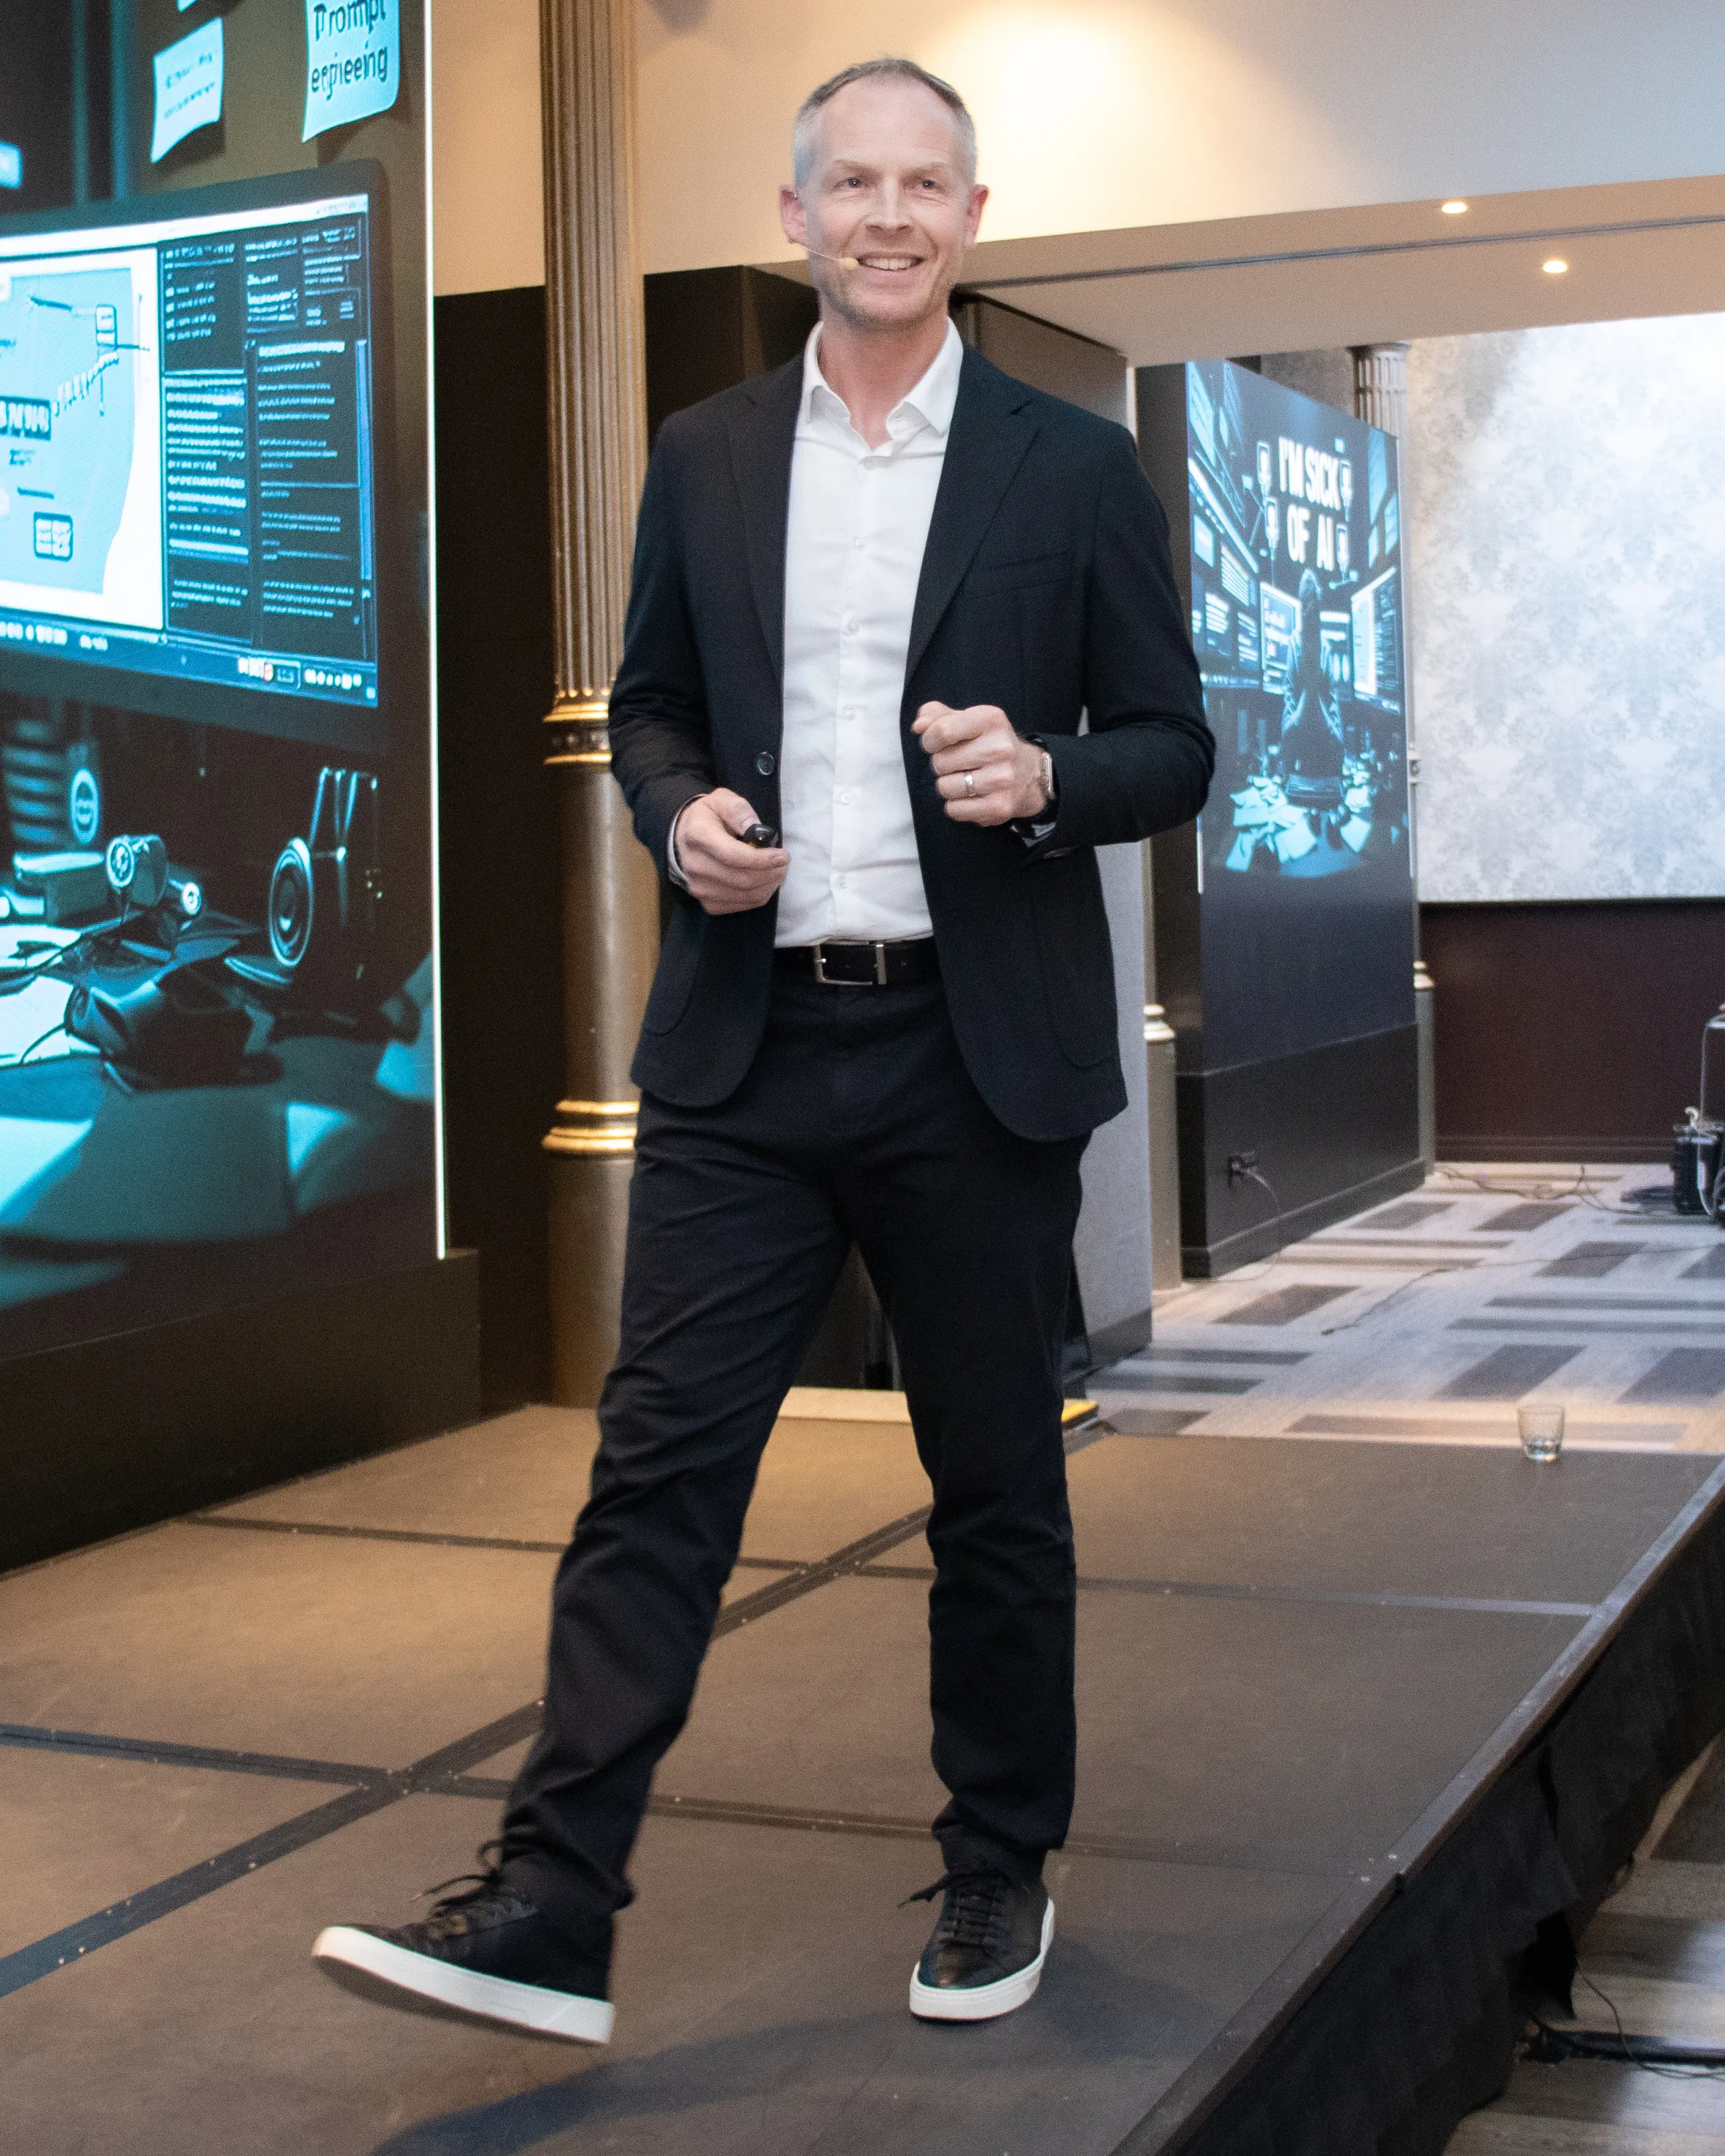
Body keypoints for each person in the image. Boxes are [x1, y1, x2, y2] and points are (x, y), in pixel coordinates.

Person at [314, 54, 1211, 2044]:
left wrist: (1047, 776)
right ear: (796, 212)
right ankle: (552, 1895)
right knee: (658, 1473)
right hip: (747, 1056)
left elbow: (1174, 742)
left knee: (992, 1486)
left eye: (924, 185)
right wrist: (674, 810)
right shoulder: (707, 448)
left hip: (973, 1065)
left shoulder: (1067, 470)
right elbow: (648, 708)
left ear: (971, 218)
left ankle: (995, 1866)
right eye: (850, 184)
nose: (888, 216)